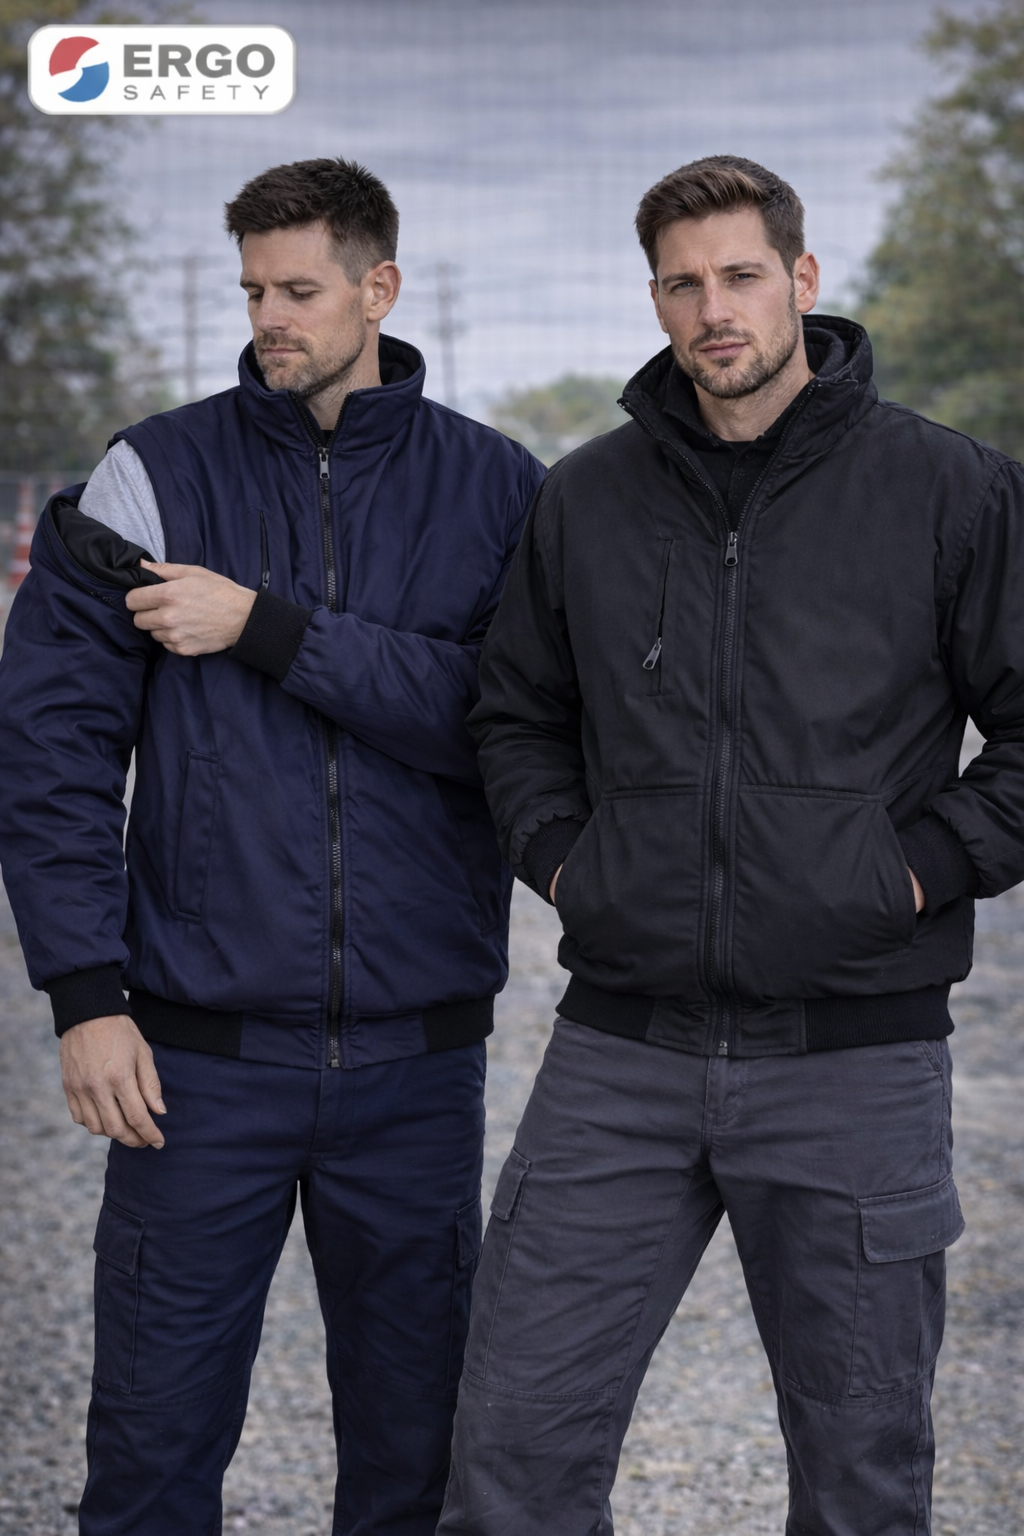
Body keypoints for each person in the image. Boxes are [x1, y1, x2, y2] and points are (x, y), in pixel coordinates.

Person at [436, 154, 1024, 1536]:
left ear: (802, 281)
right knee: (511, 1452)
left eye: (742, 276)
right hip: (621, 1054)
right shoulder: (586, 499)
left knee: (863, 1478)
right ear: (654, 300)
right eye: (683, 284)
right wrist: (572, 866)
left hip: (857, 1060)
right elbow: (515, 716)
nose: (715, 310)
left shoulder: (951, 491)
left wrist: (913, 872)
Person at [0, 157, 543, 1536]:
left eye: (300, 291)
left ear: (380, 288)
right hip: (194, 1066)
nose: (270, 320)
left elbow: (506, 725)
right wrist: (85, 994)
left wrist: (268, 629)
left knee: (414, 1465)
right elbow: (53, 750)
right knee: (149, 1456)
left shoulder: (497, 488)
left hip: (417, 1065)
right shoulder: (151, 476)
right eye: (254, 291)